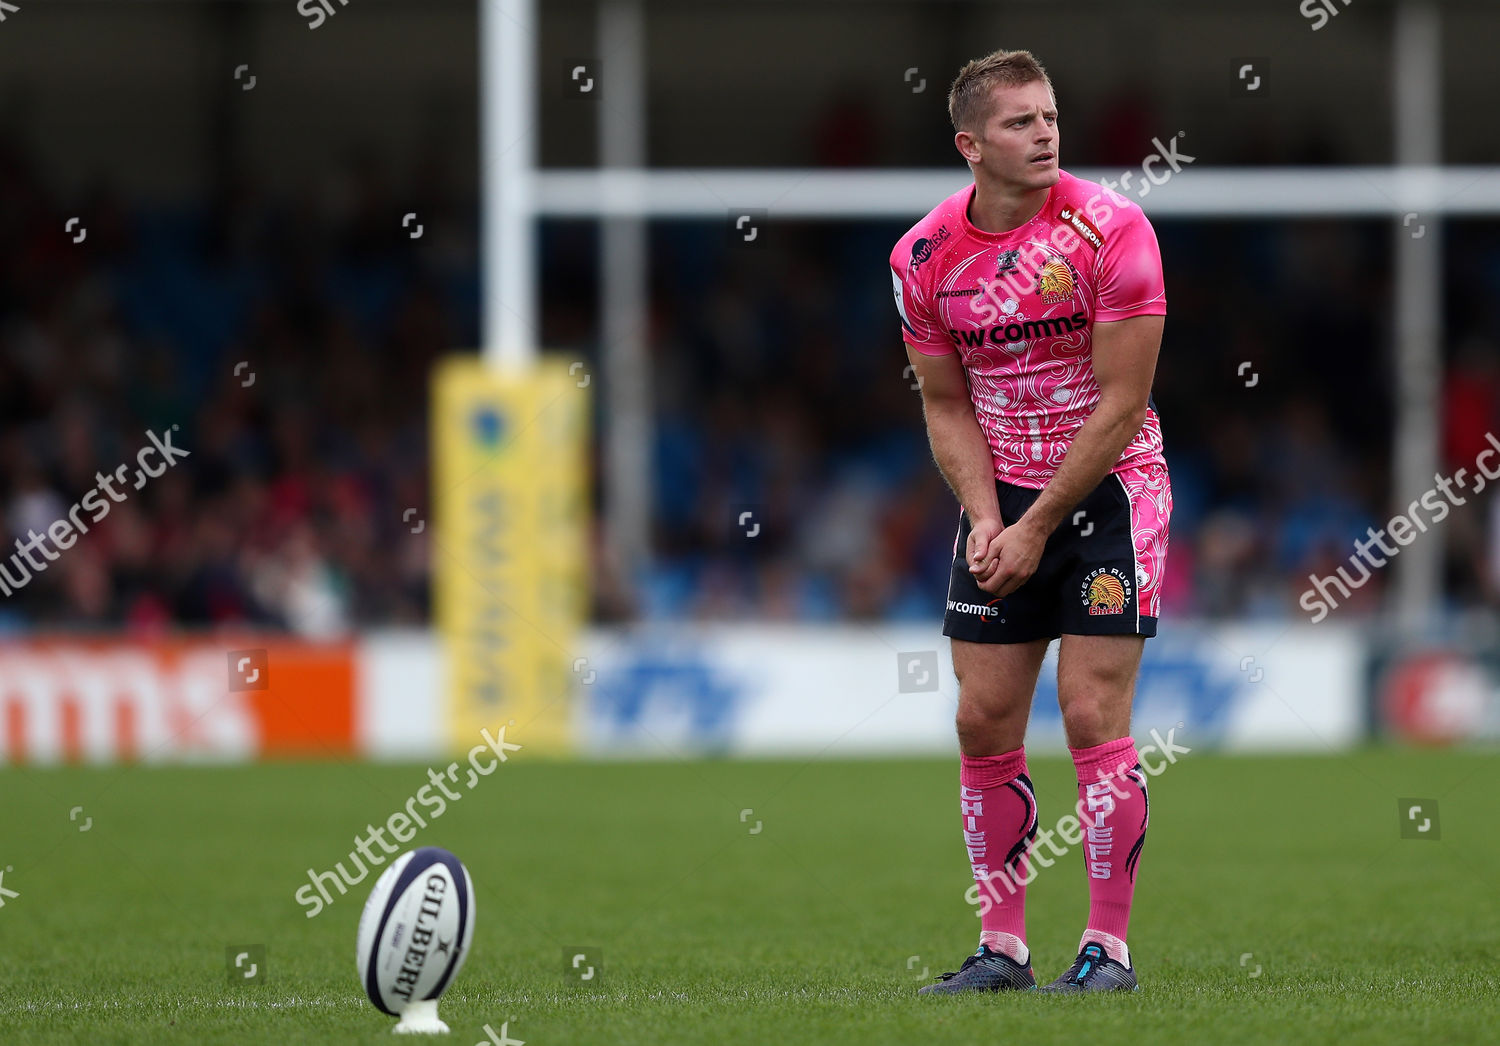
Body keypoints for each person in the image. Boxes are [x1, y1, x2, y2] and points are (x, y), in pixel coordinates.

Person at [891, 48, 1170, 994]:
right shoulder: (923, 258)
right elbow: (943, 401)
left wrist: (1039, 524)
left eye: (1049, 115)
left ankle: (1107, 951)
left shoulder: (1112, 228)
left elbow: (1124, 403)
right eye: (1019, 122)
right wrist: (983, 517)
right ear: (971, 145)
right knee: (981, 716)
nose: (1045, 132)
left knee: (1091, 710)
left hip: (1108, 490)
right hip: (1000, 499)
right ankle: (1002, 949)